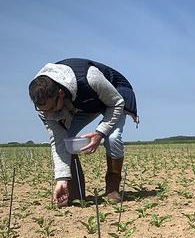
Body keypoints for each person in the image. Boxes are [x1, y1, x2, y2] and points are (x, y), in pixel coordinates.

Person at [28, 59, 138, 206]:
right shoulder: (44, 104)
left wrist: (100, 133)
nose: (49, 114)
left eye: (51, 108)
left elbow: (116, 103)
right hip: (84, 103)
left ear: (60, 93)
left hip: (114, 94)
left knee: (112, 137)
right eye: (43, 110)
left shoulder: (89, 78)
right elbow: (58, 141)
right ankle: (75, 193)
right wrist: (61, 179)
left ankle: (113, 188)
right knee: (68, 139)